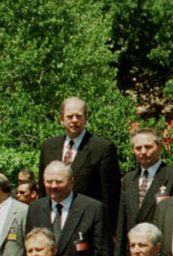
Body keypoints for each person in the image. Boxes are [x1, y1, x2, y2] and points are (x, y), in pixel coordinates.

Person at [38, 96, 121, 239]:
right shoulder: (48, 146)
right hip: (53, 223)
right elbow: (42, 189)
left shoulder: (102, 147)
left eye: (79, 116)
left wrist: (108, 232)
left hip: (86, 225)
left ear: (86, 118)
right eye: (70, 116)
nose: (74, 120)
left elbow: (110, 196)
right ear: (61, 119)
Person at [115, 128, 173, 256]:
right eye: (138, 148)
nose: (143, 151)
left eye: (148, 147)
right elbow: (122, 222)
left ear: (160, 147)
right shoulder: (127, 180)